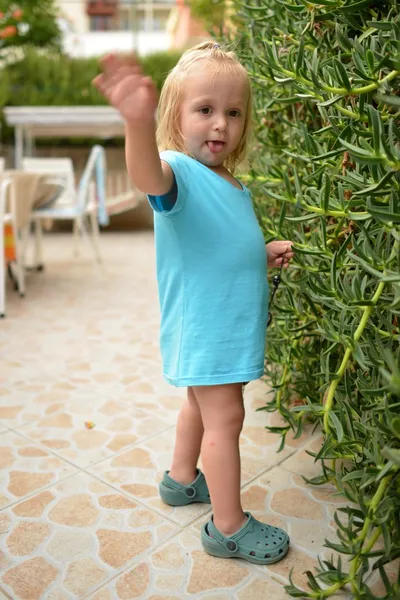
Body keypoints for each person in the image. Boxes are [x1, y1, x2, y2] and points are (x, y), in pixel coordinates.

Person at [93, 41, 294, 565]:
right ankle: (227, 526)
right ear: (174, 115)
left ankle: (182, 479)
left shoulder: (228, 183)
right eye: (204, 110)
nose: (220, 124)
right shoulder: (175, 171)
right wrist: (136, 125)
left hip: (219, 328)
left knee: (199, 407)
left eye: (232, 113)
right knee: (225, 419)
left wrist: (260, 252)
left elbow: (220, 242)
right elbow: (146, 177)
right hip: (209, 330)